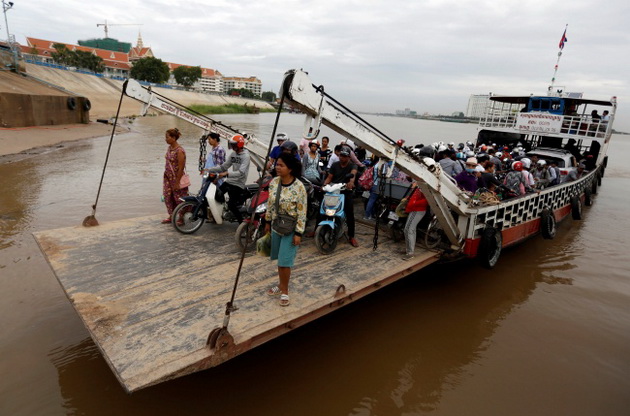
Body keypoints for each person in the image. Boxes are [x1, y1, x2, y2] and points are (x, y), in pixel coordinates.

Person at [265, 153, 308, 307]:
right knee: (279, 259)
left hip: (291, 228)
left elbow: (302, 212)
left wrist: (298, 233)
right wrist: (267, 222)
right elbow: (270, 205)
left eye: (281, 165)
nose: (277, 167)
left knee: (285, 261)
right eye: (277, 164)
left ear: (290, 169)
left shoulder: (299, 187)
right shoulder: (274, 183)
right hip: (277, 226)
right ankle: (281, 284)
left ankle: (285, 291)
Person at [206, 135, 251, 223]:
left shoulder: (246, 156)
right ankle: (220, 213)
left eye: (233, 144)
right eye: (231, 144)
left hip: (239, 183)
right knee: (216, 195)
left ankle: (242, 224)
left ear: (239, 144)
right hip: (230, 181)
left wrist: (227, 173)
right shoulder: (233, 154)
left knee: (231, 205)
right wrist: (209, 169)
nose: (232, 146)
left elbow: (241, 173)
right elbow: (224, 167)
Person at [324, 148, 359, 247]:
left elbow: (353, 174)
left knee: (349, 213)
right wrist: (324, 185)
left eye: (344, 156)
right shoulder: (335, 165)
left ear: (348, 157)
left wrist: (351, 183)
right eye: (341, 155)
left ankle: (351, 236)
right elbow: (329, 177)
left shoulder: (352, 165)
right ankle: (316, 230)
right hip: (334, 190)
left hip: (345, 191)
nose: (342, 158)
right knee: (323, 209)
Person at [162, 128, 189, 223]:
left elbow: (181, 168)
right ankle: (172, 215)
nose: (165, 139)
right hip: (167, 177)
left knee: (179, 198)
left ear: (173, 138)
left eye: (167, 137)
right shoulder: (169, 148)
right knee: (167, 196)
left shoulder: (180, 151)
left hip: (177, 178)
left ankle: (181, 217)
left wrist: (177, 183)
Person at [402, 181, 428, 260]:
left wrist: (413, 203)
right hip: (414, 209)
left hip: (417, 210)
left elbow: (427, 200)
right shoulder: (419, 186)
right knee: (411, 230)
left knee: (408, 230)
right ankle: (409, 250)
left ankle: (410, 253)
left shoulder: (425, 187)